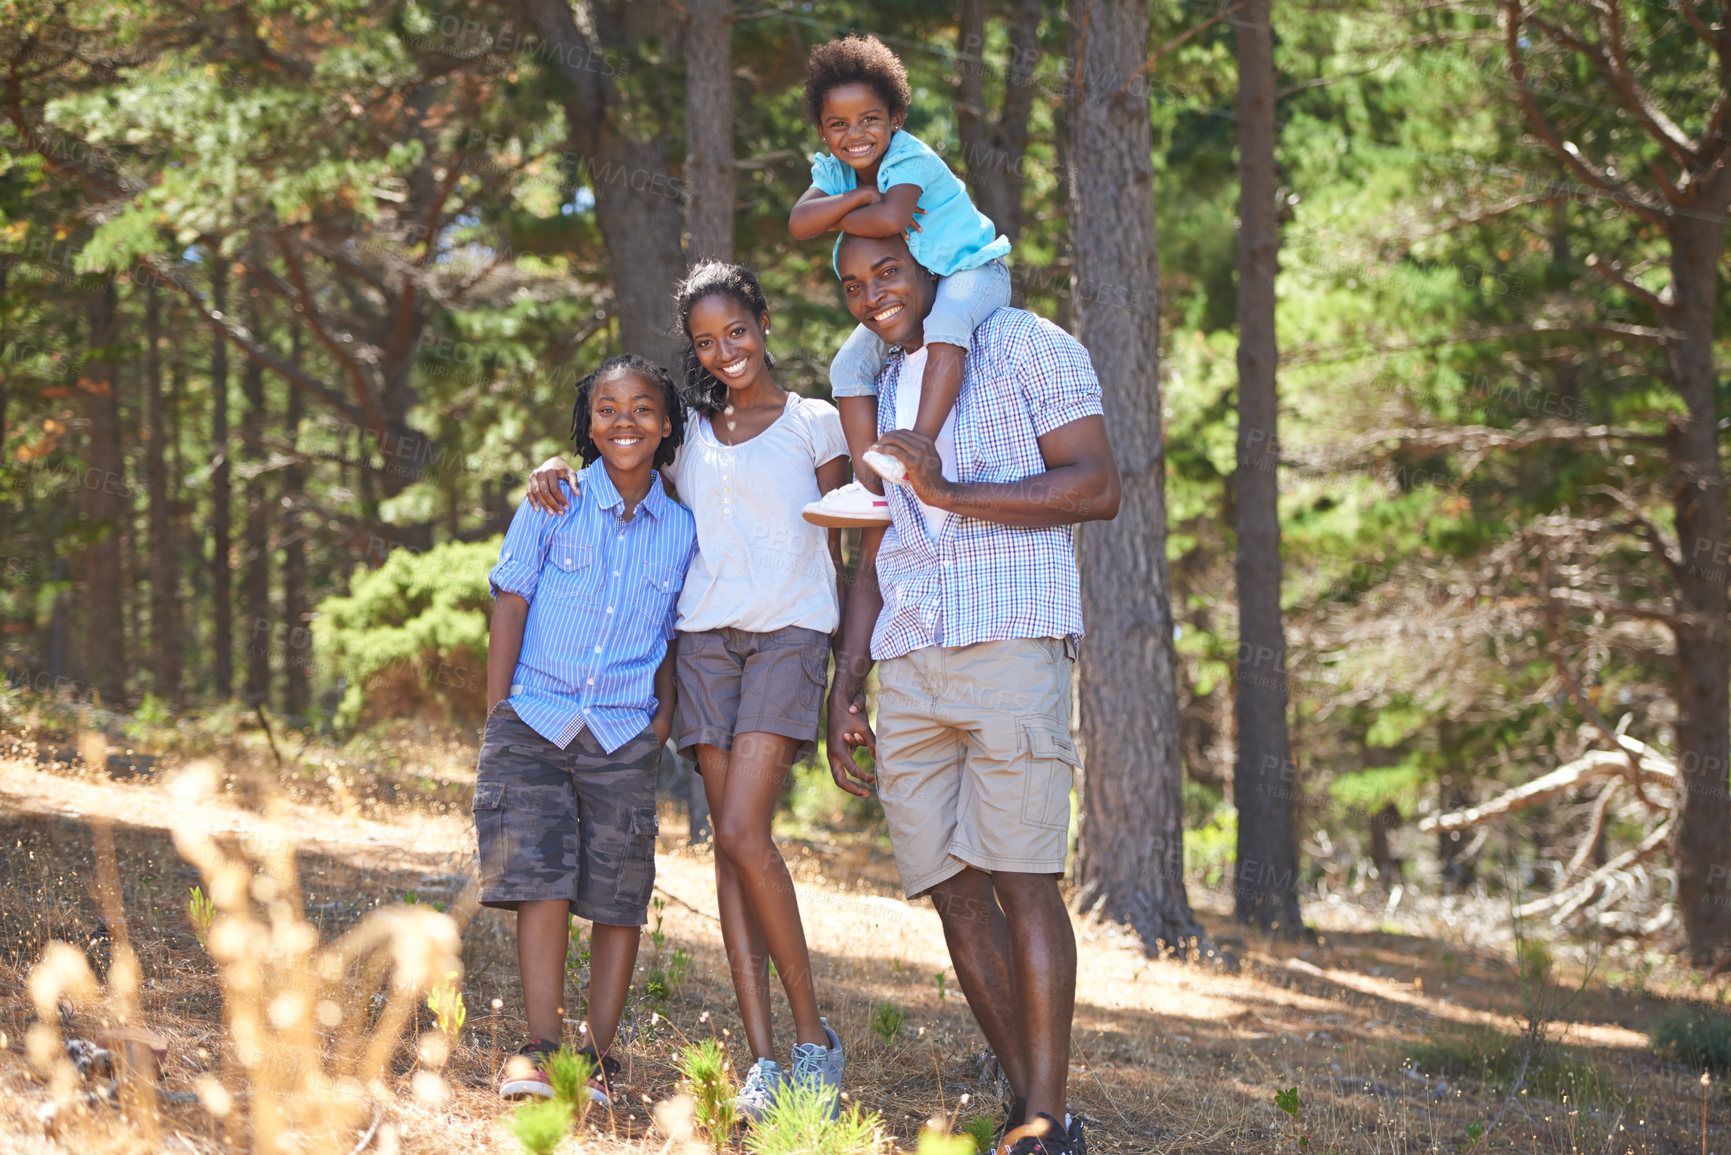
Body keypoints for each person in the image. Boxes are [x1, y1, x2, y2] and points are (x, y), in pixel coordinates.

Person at [522, 263, 850, 1121]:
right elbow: (618, 459)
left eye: (736, 331)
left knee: (745, 829)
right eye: (706, 342)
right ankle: (764, 1057)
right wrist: (552, 466)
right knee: (727, 851)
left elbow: (851, 540)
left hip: (788, 637)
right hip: (704, 643)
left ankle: (814, 1039)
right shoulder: (692, 430)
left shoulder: (816, 423)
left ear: (763, 321)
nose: (725, 350)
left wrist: (852, 672)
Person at [823, 232, 1120, 1155]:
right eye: (853, 284)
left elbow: (1096, 486)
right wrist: (849, 682)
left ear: (932, 273)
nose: (873, 295)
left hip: (1008, 645)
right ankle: (1027, 1110)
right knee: (951, 890)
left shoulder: (1026, 343)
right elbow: (879, 545)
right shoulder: (873, 383)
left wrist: (951, 492)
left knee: (1022, 879)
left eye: (889, 274)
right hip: (909, 659)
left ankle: (1048, 1118)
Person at [481, 355, 697, 1106]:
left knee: (616, 892)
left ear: (667, 425)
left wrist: (661, 719)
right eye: (607, 408)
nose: (624, 421)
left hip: (622, 732)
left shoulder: (680, 527)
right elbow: (511, 597)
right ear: (588, 424)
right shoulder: (553, 499)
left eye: (642, 408)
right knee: (539, 880)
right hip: (535, 715)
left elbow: (671, 633)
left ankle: (597, 1058)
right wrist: (499, 707)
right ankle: (541, 1048)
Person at [790, 33, 1011, 529]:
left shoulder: (908, 157)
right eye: (838, 124)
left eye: (869, 119)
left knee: (948, 323)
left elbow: (891, 218)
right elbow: (799, 223)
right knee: (848, 366)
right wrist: (853, 201)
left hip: (974, 272)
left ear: (895, 118)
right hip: (924, 288)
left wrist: (850, 209)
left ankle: (918, 443)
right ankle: (871, 491)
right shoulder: (835, 171)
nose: (855, 134)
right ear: (823, 134)